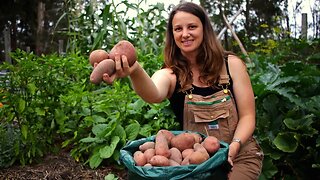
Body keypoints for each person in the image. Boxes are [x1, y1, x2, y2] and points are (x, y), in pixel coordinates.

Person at [98, 2, 263, 179]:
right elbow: (153, 93)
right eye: (178, 29)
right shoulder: (171, 74)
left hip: (240, 155)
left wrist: (234, 146)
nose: (185, 34)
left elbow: (248, 116)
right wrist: (135, 70)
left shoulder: (231, 65)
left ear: (204, 29)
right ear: (172, 34)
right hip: (195, 164)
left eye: (192, 27)